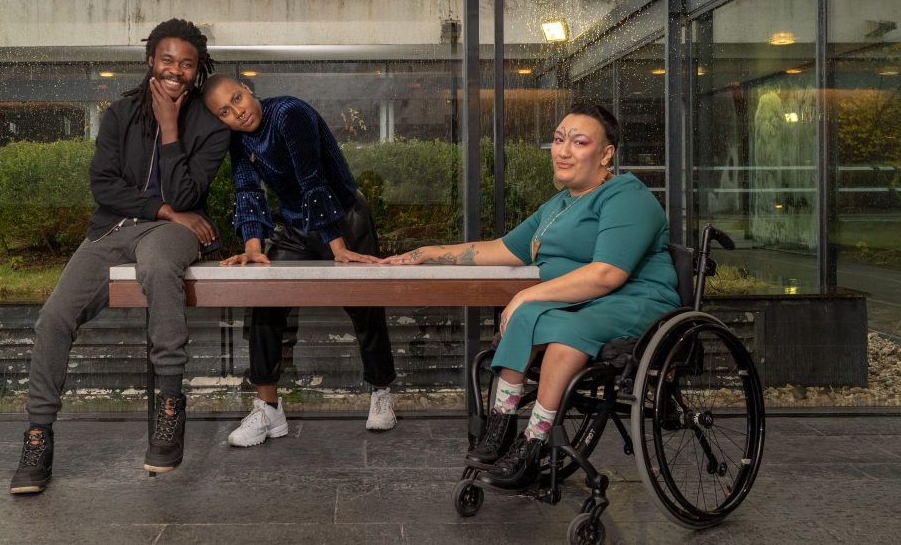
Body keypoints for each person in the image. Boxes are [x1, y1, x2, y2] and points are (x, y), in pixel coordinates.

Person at [383, 104, 679, 490]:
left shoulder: (626, 196)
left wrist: (529, 295)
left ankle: (534, 441)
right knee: (528, 317)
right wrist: (425, 252)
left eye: (579, 142)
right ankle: (501, 426)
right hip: (586, 301)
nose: (563, 150)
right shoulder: (558, 206)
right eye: (558, 140)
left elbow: (607, 274)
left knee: (559, 326)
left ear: (606, 154)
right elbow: (499, 249)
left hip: (636, 301)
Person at [9, 19, 230, 494]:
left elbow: (189, 191)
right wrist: (165, 209)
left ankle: (170, 405)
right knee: (54, 317)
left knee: (157, 266)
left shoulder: (210, 126)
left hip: (171, 234)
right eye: (167, 59)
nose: (175, 70)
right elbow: (103, 185)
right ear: (151, 59)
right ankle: (37, 434)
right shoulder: (120, 113)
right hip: (115, 228)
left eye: (186, 64)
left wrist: (171, 128)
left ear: (198, 70)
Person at [202, 75, 397, 447]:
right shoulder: (239, 139)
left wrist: (338, 249)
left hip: (343, 219)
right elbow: (247, 190)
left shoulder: (289, 113)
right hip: (294, 226)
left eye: (237, 98)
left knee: (365, 306)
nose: (237, 112)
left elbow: (313, 180)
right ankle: (268, 407)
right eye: (224, 111)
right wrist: (254, 247)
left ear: (248, 90)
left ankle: (381, 391)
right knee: (264, 300)